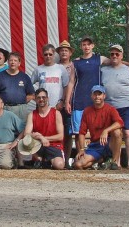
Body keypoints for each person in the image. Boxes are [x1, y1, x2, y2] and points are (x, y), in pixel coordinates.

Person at [101, 44, 129, 169]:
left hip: (128, 104)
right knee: (115, 133)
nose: (114, 56)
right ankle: (116, 162)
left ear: (121, 55)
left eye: (117, 54)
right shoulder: (103, 70)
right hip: (110, 106)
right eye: (112, 54)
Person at [74, 85, 123, 170]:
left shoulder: (110, 109)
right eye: (95, 94)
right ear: (91, 96)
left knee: (117, 132)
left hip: (109, 143)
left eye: (99, 94)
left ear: (104, 96)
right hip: (95, 145)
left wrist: (106, 131)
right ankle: (100, 161)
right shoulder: (87, 111)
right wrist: (81, 149)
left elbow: (120, 123)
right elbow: (82, 132)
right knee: (78, 164)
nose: (97, 97)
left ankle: (114, 162)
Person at [23, 88, 65, 169]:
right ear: (35, 99)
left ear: (47, 98)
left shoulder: (56, 113)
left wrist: (44, 138)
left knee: (59, 165)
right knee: (24, 143)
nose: (41, 99)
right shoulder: (32, 115)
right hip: (37, 146)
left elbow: (60, 136)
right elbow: (26, 134)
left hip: (54, 146)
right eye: (38, 98)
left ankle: (44, 161)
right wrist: (40, 138)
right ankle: (40, 160)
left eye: (43, 97)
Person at [0, 51, 35, 124]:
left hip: (21, 109)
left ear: (19, 63)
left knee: (21, 131)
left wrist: (20, 103)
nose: (13, 62)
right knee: (6, 130)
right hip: (5, 108)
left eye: (15, 60)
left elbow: (31, 94)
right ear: (8, 62)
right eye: (11, 60)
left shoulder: (24, 77)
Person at [31, 44, 69, 110]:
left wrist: (62, 101)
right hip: (42, 106)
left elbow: (66, 86)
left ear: (54, 54)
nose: (48, 56)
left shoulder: (60, 68)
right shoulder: (38, 69)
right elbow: (29, 85)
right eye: (46, 54)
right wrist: (35, 97)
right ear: (42, 55)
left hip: (57, 106)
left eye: (50, 54)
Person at [56, 39, 75, 167]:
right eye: (61, 50)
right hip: (56, 104)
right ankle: (57, 158)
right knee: (56, 132)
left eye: (66, 50)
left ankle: (67, 160)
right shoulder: (54, 67)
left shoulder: (75, 66)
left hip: (71, 103)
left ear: (70, 53)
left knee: (68, 133)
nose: (63, 52)